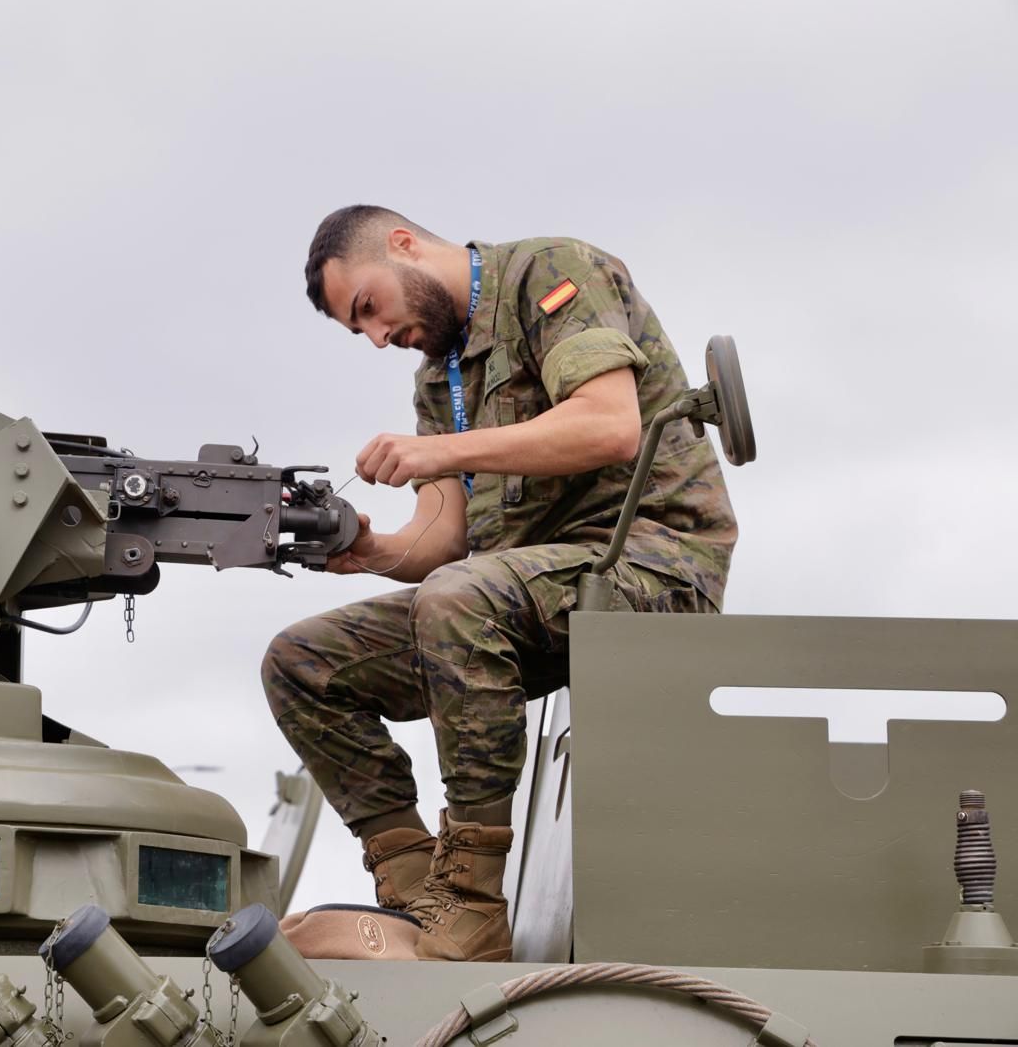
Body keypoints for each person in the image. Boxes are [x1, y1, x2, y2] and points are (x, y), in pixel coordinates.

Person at [262, 206, 737, 961]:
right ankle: (421, 893)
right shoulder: (437, 379)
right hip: (520, 595)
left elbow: (610, 425)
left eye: (370, 309)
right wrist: (367, 549)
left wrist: (440, 453)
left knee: (459, 598)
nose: (380, 337)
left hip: (647, 563)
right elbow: (444, 540)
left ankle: (473, 906)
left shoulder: (549, 272)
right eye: (362, 332)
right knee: (300, 662)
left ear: (404, 244)